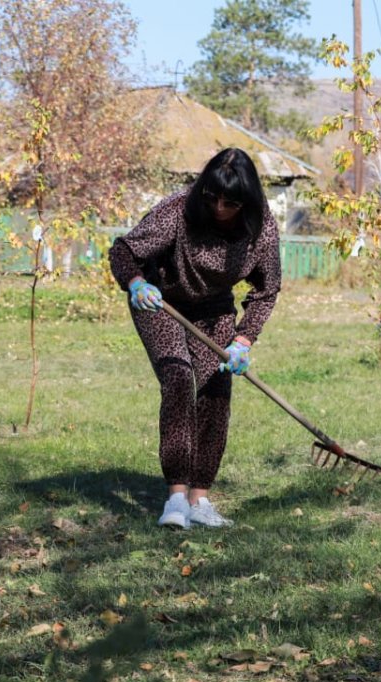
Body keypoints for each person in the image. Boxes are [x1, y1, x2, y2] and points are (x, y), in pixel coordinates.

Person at [109, 148, 282, 530]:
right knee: (178, 379)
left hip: (215, 308)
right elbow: (124, 251)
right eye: (212, 197)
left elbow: (266, 290)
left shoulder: (261, 228)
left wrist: (244, 339)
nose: (219, 207)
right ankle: (175, 497)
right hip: (160, 301)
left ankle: (199, 499)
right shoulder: (179, 210)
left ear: (246, 201)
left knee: (216, 392)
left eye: (230, 202)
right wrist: (136, 283)